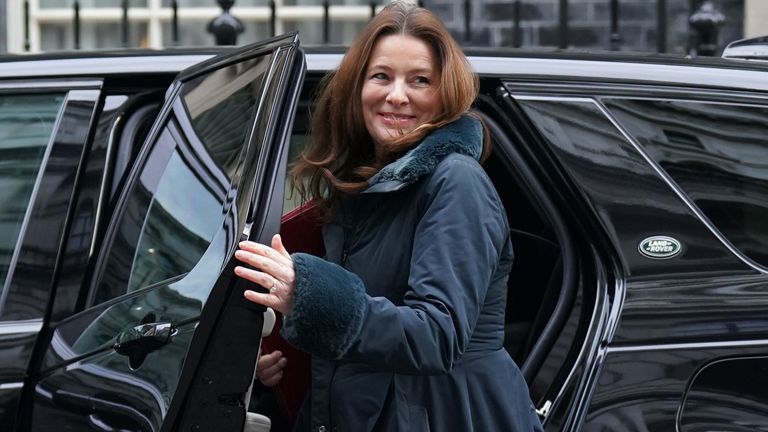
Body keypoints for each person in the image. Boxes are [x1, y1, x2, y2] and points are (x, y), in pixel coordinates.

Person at [233, 2, 544, 431]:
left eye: (420, 80)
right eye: (381, 76)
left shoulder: (456, 181)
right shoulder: (362, 190)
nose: (397, 95)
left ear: (444, 94)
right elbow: (362, 324)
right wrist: (278, 360)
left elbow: (436, 336)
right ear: (357, 87)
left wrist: (308, 293)